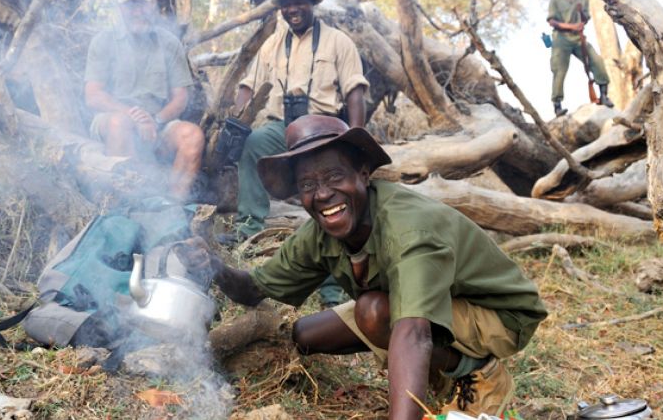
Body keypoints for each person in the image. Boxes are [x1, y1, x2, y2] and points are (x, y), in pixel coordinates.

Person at [209, 115, 548, 418]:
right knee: (305, 335)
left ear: (363, 174)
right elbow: (254, 288)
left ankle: (476, 372)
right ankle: (437, 372)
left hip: (500, 315)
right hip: (428, 306)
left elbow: (412, 333)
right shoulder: (319, 233)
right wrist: (212, 266)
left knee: (375, 312)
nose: (323, 194)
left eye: (333, 176)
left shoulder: (410, 229)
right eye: (308, 185)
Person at [228, 0, 369, 242]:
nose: (292, 9)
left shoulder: (338, 41)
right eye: (286, 4)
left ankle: (332, 232)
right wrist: (234, 120)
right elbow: (249, 85)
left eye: (299, 3)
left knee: (328, 177)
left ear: (311, 4)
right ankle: (248, 229)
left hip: (324, 127)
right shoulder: (272, 44)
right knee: (252, 145)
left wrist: (357, 139)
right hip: (282, 126)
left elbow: (355, 90)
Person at [84, 0, 204, 202]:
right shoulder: (104, 41)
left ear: (152, 3)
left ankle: (170, 209)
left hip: (158, 122)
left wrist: (155, 120)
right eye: (131, 4)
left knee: (192, 135)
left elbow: (180, 98)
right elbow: (93, 96)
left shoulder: (169, 43)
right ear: (120, 7)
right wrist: (133, 115)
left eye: (141, 3)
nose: (137, 11)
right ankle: (127, 204)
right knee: (119, 123)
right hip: (114, 119)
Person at [547, 0, 613, 116]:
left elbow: (585, 19)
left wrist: (581, 14)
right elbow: (552, 21)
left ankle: (603, 95)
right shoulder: (555, 0)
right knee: (559, 69)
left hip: (578, 38)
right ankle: (557, 105)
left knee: (596, 60)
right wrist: (571, 26)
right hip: (561, 39)